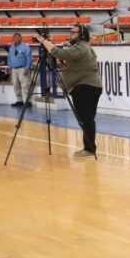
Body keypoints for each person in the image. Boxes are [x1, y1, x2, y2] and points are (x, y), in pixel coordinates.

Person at [37, 25, 102, 159]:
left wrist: (44, 41)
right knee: (87, 119)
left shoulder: (81, 48)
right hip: (88, 86)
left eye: (73, 32)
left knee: (86, 119)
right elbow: (72, 64)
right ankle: (89, 148)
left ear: (81, 34)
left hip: (84, 87)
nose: (70, 34)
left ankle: (89, 150)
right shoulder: (81, 47)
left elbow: (59, 53)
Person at [7, 33, 34, 107]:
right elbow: (9, 58)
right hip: (13, 69)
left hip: (22, 68)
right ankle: (20, 100)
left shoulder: (26, 47)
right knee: (16, 85)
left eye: (18, 37)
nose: (17, 39)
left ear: (21, 38)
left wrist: (27, 68)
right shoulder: (11, 47)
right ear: (13, 38)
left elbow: (29, 58)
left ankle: (27, 101)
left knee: (25, 85)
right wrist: (9, 68)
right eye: (15, 37)